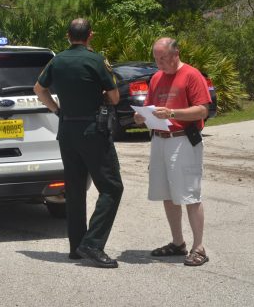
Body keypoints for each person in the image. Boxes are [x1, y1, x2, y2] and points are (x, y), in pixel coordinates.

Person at [34, 18, 124, 268]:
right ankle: (93, 244)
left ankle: (76, 247)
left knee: (74, 190)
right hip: (92, 130)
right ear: (90, 36)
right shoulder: (96, 60)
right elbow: (115, 97)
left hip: (67, 130)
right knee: (111, 187)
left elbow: (39, 89)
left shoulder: (57, 60)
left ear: (68, 36)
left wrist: (57, 110)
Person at [134, 37, 212, 267]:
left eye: (163, 58)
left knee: (189, 194)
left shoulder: (191, 74)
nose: (159, 63)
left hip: (183, 140)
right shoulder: (157, 77)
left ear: (176, 53)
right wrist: (141, 117)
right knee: (167, 193)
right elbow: (149, 107)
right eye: (156, 59)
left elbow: (202, 110)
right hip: (160, 139)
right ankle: (178, 243)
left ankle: (199, 247)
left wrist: (172, 114)